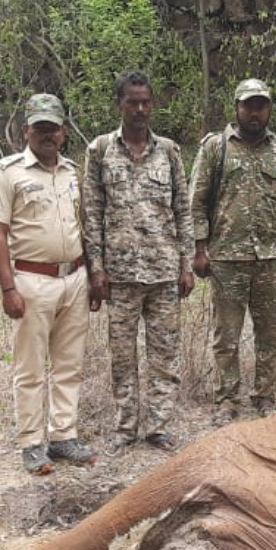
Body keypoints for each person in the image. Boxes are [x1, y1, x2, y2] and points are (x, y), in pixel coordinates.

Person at [82, 71, 194, 454]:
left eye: (146, 101)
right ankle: (125, 428)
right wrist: (96, 268)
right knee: (123, 357)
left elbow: (183, 210)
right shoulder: (99, 151)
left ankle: (158, 426)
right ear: (120, 104)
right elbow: (92, 213)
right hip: (121, 275)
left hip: (163, 272)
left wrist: (186, 263)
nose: (140, 108)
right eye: (133, 101)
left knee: (164, 355)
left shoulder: (170, 151)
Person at [0, 93, 98, 475]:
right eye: (40, 128)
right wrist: (8, 288)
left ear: (63, 131)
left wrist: (93, 275)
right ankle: (32, 443)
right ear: (26, 130)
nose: (47, 134)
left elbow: (83, 225)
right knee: (30, 368)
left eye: (54, 128)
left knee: (69, 364)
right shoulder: (8, 172)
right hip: (32, 280)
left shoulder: (70, 171)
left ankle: (63, 435)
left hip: (75, 278)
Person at [188, 78, 276, 424]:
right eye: (248, 105)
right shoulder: (215, 148)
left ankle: (265, 395)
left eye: (261, 105)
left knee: (269, 331)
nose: (255, 112)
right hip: (226, 257)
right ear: (237, 107)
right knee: (226, 334)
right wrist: (199, 249)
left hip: (270, 259)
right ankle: (227, 399)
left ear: (269, 108)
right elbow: (196, 202)